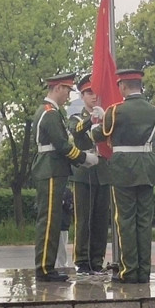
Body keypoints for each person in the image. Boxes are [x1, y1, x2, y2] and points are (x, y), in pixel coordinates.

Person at [91, 69, 155, 284]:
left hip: (123, 169)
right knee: (144, 221)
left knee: (126, 220)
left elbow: (99, 134)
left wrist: (96, 123)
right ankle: (144, 271)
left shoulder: (115, 110)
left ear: (123, 86)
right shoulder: (153, 110)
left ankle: (129, 271)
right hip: (146, 167)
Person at [32, 72, 98, 282]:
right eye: (67, 90)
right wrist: (84, 158)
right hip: (50, 170)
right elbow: (62, 146)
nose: (68, 95)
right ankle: (44, 268)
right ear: (58, 88)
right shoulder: (50, 113)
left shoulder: (50, 111)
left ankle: (47, 267)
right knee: (49, 220)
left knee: (52, 220)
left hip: (53, 170)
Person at [68, 74, 111, 275]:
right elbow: (76, 131)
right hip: (83, 175)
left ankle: (97, 260)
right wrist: (91, 119)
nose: (93, 96)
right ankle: (82, 260)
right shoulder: (76, 117)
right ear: (82, 95)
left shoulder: (104, 118)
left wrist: (104, 119)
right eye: (89, 93)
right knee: (83, 220)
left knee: (101, 220)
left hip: (103, 173)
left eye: (95, 93)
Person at [55, 186, 74, 270]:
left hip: (63, 223)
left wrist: (65, 203)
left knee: (62, 245)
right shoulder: (51, 188)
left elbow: (70, 206)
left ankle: (62, 265)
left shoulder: (67, 191)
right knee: (60, 245)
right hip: (54, 222)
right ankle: (61, 265)